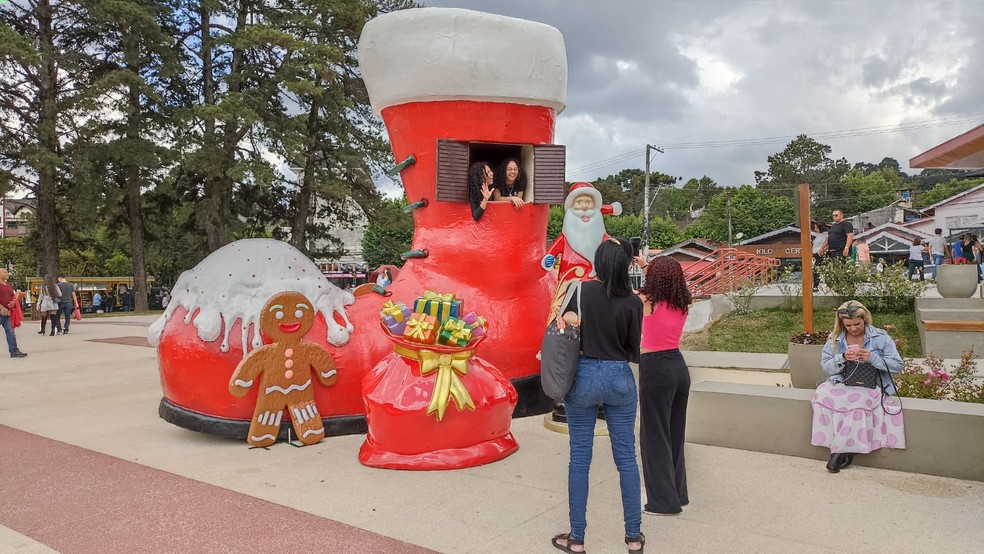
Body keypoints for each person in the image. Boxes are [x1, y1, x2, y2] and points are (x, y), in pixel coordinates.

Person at [552, 239, 644, 554]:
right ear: (624, 266)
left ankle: (577, 539)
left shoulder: (580, 291)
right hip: (619, 377)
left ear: (599, 263)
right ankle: (633, 538)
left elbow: (561, 330)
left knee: (580, 458)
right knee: (627, 460)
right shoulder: (633, 303)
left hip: (583, 377)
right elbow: (634, 351)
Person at [813, 300, 904, 473]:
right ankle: (845, 449)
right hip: (843, 381)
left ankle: (838, 453)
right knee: (822, 395)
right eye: (848, 325)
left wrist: (872, 358)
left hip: (872, 384)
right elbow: (825, 366)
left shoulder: (881, 337)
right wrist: (842, 358)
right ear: (842, 323)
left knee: (857, 401)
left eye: (857, 324)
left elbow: (898, 366)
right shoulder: (835, 338)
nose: (853, 328)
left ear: (865, 319)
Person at [637, 256, 692, 516]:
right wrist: (646, 266)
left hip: (655, 367)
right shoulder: (682, 302)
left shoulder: (647, 301)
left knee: (654, 436)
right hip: (679, 367)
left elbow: (619, 291)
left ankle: (662, 502)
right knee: (674, 434)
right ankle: (677, 494)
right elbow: (663, 280)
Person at [0, 268, 28, 358]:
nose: (7, 273)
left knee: (10, 332)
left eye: (7, 272)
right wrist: (2, 308)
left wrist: (13, 302)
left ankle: (14, 351)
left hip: (7, 313)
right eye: (4, 272)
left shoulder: (9, 285)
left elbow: (13, 297)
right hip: (2, 311)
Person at [810, 221, 828, 291]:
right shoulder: (817, 235)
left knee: (816, 269)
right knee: (815, 269)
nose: (815, 228)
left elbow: (828, 243)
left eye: (816, 227)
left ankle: (816, 286)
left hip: (820, 253)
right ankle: (815, 285)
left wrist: (823, 250)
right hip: (815, 254)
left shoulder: (826, 235)